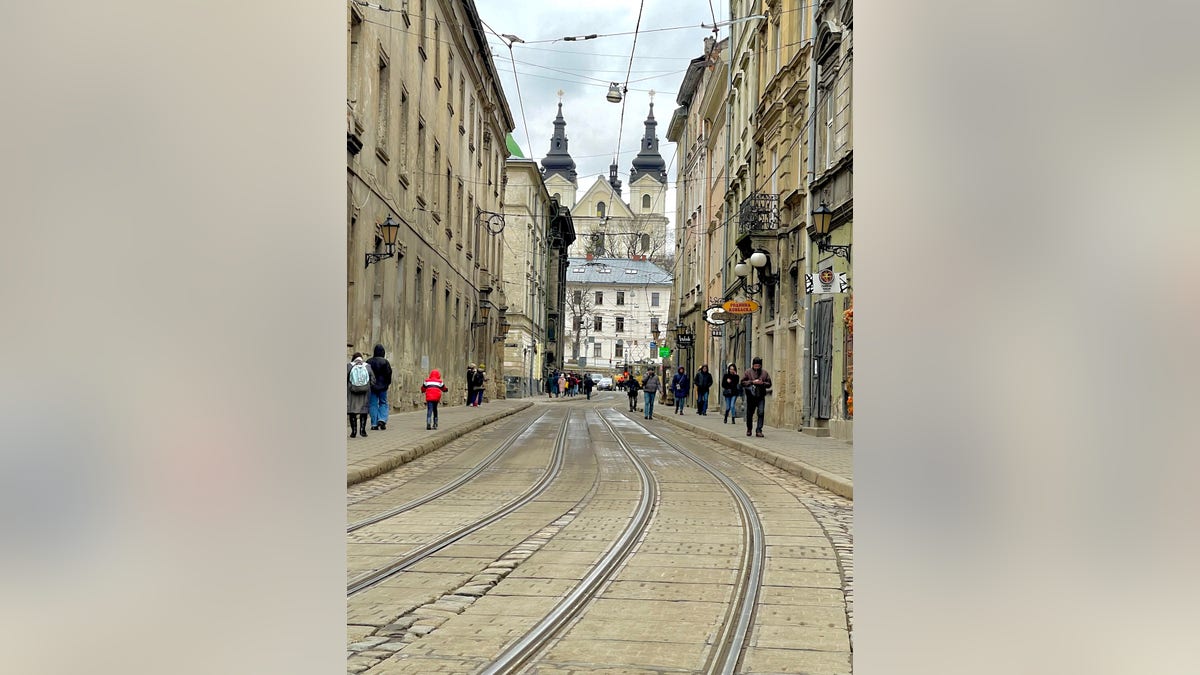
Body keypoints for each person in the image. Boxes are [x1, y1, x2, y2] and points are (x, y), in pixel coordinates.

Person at [739, 356, 773, 438]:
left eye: (758, 365)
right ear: (753, 365)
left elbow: (769, 384)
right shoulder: (748, 372)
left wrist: (763, 383)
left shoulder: (764, 373)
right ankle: (749, 429)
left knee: (761, 412)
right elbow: (742, 382)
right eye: (755, 365)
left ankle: (759, 430)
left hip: (761, 396)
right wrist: (752, 382)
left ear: (760, 365)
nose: (757, 367)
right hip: (751, 396)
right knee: (750, 414)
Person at [347, 352, 375, 438]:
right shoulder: (367, 366)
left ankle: (354, 432)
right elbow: (373, 380)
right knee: (364, 411)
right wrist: (366, 386)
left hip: (352, 393)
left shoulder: (349, 366)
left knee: (352, 411)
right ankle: (362, 430)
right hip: (364, 393)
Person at [366, 344, 392, 430]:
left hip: (372, 387)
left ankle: (374, 424)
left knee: (373, 404)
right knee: (383, 403)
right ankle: (382, 419)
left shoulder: (369, 361)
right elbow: (388, 374)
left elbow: (366, 374)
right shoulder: (385, 362)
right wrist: (387, 384)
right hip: (383, 387)